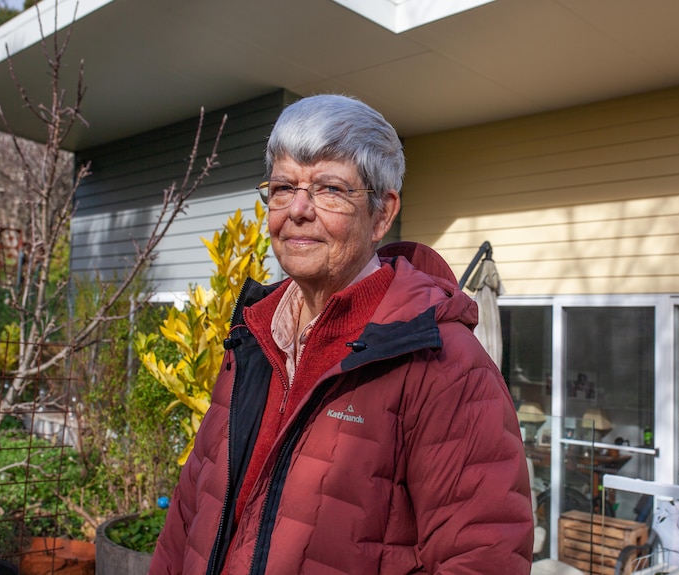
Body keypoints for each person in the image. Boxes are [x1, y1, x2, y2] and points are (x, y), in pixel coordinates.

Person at [148, 94, 534, 574]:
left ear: (381, 214)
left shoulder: (443, 362)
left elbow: (482, 556)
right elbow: (188, 515)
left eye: (329, 188)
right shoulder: (252, 339)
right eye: (283, 187)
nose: (298, 210)